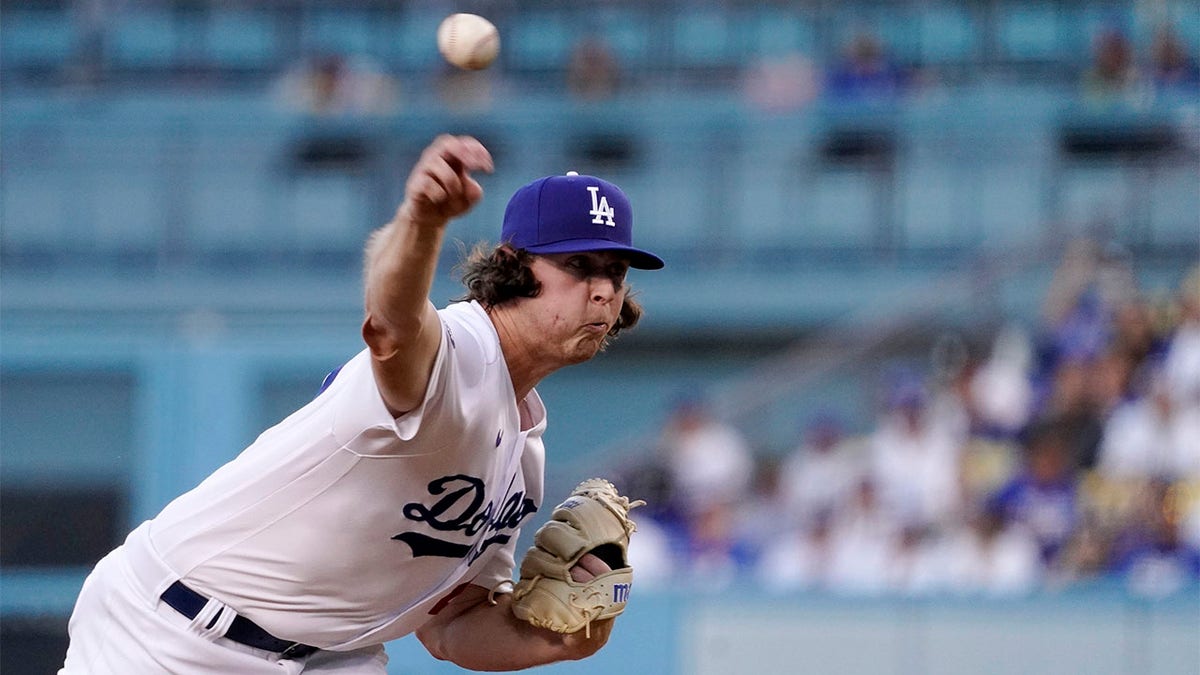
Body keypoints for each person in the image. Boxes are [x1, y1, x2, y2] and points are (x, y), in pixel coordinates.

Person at [59, 134, 665, 673]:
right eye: (576, 264)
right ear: (510, 266)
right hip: (170, 637)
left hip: (336, 659)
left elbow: (452, 628)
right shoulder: (457, 356)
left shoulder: (523, 456)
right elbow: (394, 321)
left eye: (615, 269)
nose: (604, 288)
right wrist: (422, 224)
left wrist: (565, 641)